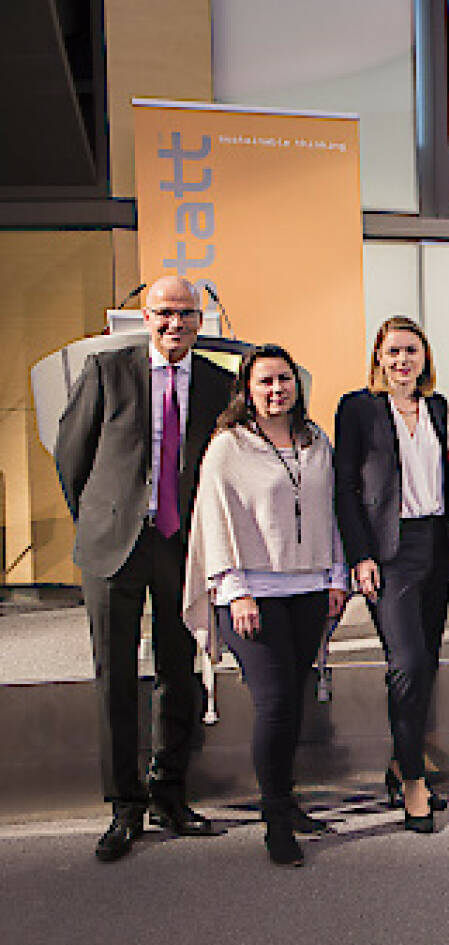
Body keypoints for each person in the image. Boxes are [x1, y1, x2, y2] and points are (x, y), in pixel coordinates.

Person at [54, 276, 233, 862]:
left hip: (181, 546)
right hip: (113, 546)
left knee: (179, 673)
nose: (173, 323)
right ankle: (124, 806)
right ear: (145, 316)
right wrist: (99, 519)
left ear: (199, 322)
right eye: (163, 313)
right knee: (116, 677)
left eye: (185, 314)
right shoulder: (108, 371)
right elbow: (71, 457)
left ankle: (170, 794)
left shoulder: (218, 384)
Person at [182, 345, 348, 866]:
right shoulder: (228, 446)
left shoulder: (314, 439)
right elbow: (215, 518)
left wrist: (335, 575)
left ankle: (287, 797)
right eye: (265, 383)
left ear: (297, 384)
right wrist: (235, 589)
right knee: (274, 704)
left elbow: (330, 509)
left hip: (308, 592)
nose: (276, 390)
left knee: (293, 700)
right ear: (247, 391)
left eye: (284, 380)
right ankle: (275, 819)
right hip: (253, 595)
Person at [334, 316, 449, 833]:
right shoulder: (358, 408)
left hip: (434, 543)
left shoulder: (437, 407)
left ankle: (399, 764)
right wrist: (360, 555)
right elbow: (344, 489)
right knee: (405, 663)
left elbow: (440, 481)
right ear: (379, 358)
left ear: (424, 357)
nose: (403, 360)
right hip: (389, 551)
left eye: (412, 351)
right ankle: (413, 781)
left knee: (426, 663)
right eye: (394, 352)